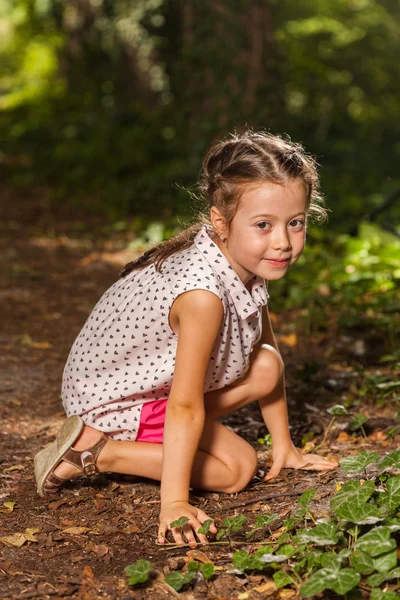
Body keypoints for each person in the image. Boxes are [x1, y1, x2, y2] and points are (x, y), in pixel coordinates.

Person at [34, 129, 339, 547]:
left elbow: (268, 352)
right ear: (220, 221)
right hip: (117, 399)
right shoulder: (201, 296)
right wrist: (174, 502)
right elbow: (183, 404)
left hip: (146, 389)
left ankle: (107, 444)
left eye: (296, 223)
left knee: (267, 364)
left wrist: (284, 446)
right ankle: (92, 452)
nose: (283, 242)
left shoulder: (244, 259)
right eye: (264, 225)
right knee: (236, 470)